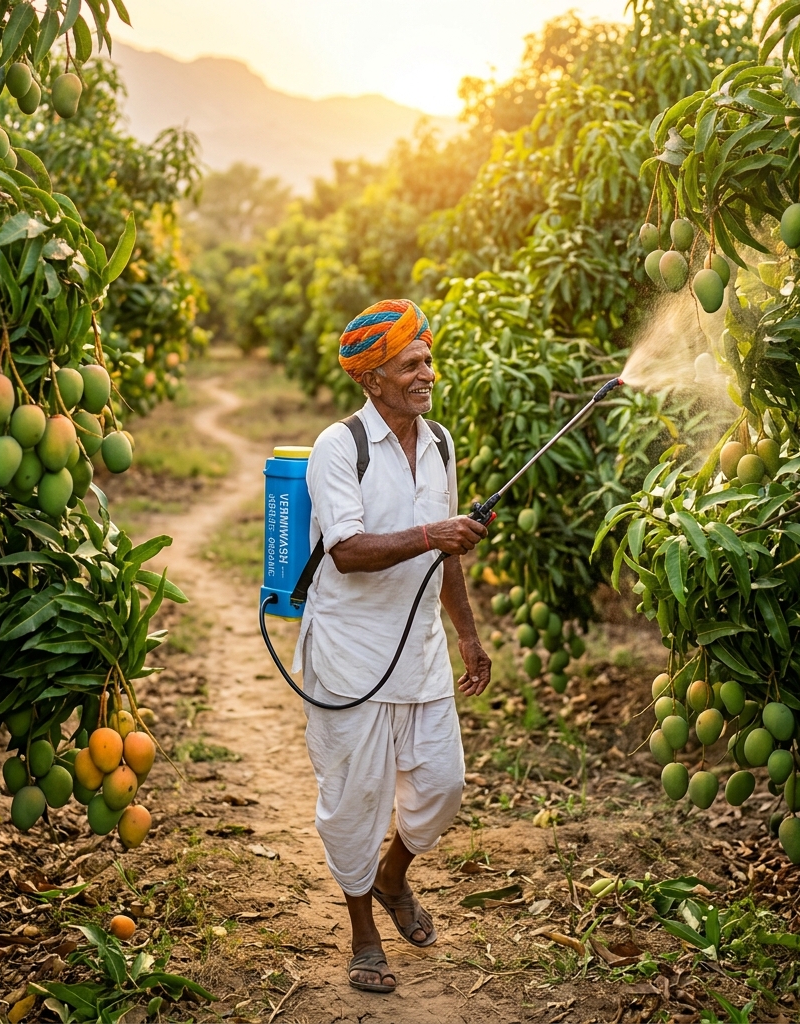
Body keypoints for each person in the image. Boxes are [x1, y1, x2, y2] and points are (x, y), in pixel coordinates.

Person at [291, 298, 491, 994]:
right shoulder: (337, 447)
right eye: (410, 364)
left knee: (442, 786)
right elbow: (345, 551)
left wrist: (467, 632)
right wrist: (433, 534)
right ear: (371, 378)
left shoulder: (438, 442)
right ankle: (363, 935)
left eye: (428, 360)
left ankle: (392, 875)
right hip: (348, 651)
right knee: (355, 800)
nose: (425, 373)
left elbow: (449, 548)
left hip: (421, 649)